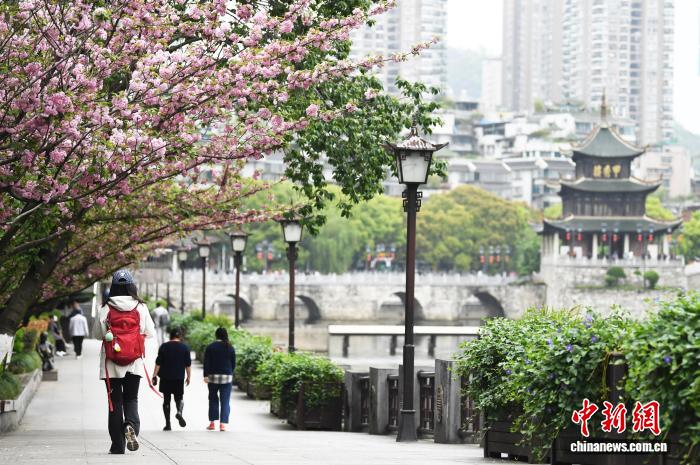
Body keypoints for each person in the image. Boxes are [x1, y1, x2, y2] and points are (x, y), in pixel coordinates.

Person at [93, 270, 155, 454]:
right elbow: (150, 332)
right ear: (131, 286)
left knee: (114, 403)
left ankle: (117, 446)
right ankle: (130, 426)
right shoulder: (140, 307)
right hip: (134, 363)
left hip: (111, 363)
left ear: (113, 286)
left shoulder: (106, 308)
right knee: (131, 399)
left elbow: (97, 334)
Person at [152, 328, 191, 431]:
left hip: (166, 377)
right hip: (179, 378)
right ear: (180, 336)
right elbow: (188, 364)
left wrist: (154, 375)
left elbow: (158, 363)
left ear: (171, 336)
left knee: (166, 400)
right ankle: (179, 412)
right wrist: (188, 377)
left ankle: (168, 424)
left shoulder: (164, 346)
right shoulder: (184, 347)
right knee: (179, 398)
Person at [203, 327, 236, 431]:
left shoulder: (210, 347)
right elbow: (233, 363)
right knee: (225, 401)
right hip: (226, 377)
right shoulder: (230, 347)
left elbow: (206, 362)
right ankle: (222, 424)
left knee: (213, 399)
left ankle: (212, 423)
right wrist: (230, 372)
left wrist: (205, 375)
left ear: (216, 335)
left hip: (213, 377)